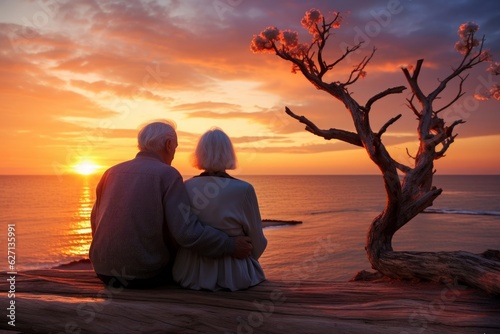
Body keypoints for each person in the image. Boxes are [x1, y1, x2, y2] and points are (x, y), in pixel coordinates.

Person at [89, 120, 253, 289]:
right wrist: (229, 245)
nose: (174, 153)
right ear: (168, 145)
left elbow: (95, 222)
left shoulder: (110, 172)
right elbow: (186, 233)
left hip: (102, 271)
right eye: (175, 146)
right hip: (145, 274)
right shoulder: (167, 174)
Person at [173, 128, 267, 291]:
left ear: (199, 154)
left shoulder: (186, 186)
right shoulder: (244, 189)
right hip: (234, 275)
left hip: (190, 273)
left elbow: (182, 233)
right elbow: (257, 240)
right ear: (229, 154)